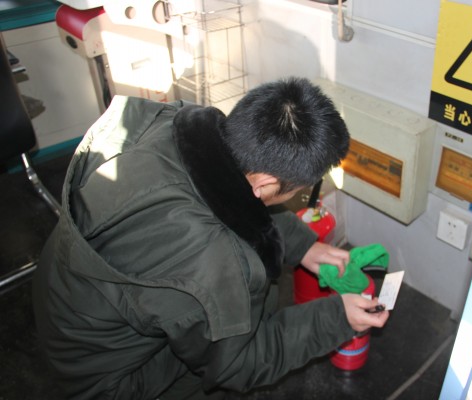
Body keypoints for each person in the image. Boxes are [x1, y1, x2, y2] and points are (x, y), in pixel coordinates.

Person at [32, 77, 389, 399]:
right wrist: (337, 318)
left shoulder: (178, 126)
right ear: (265, 184)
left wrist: (304, 246)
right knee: (216, 374)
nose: (298, 196)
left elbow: (236, 199)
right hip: (107, 381)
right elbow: (240, 363)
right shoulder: (209, 261)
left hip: (67, 303)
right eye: (298, 190)